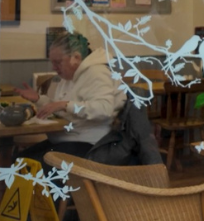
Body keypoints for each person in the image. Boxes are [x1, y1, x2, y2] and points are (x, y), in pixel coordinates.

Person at [14, 32, 127, 160]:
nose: (53, 67)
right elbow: (62, 108)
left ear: (76, 58)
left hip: (90, 144)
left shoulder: (97, 72)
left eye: (58, 62)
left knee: (24, 165)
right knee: (19, 160)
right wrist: (39, 99)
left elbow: (103, 109)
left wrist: (64, 105)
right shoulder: (70, 75)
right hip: (66, 139)